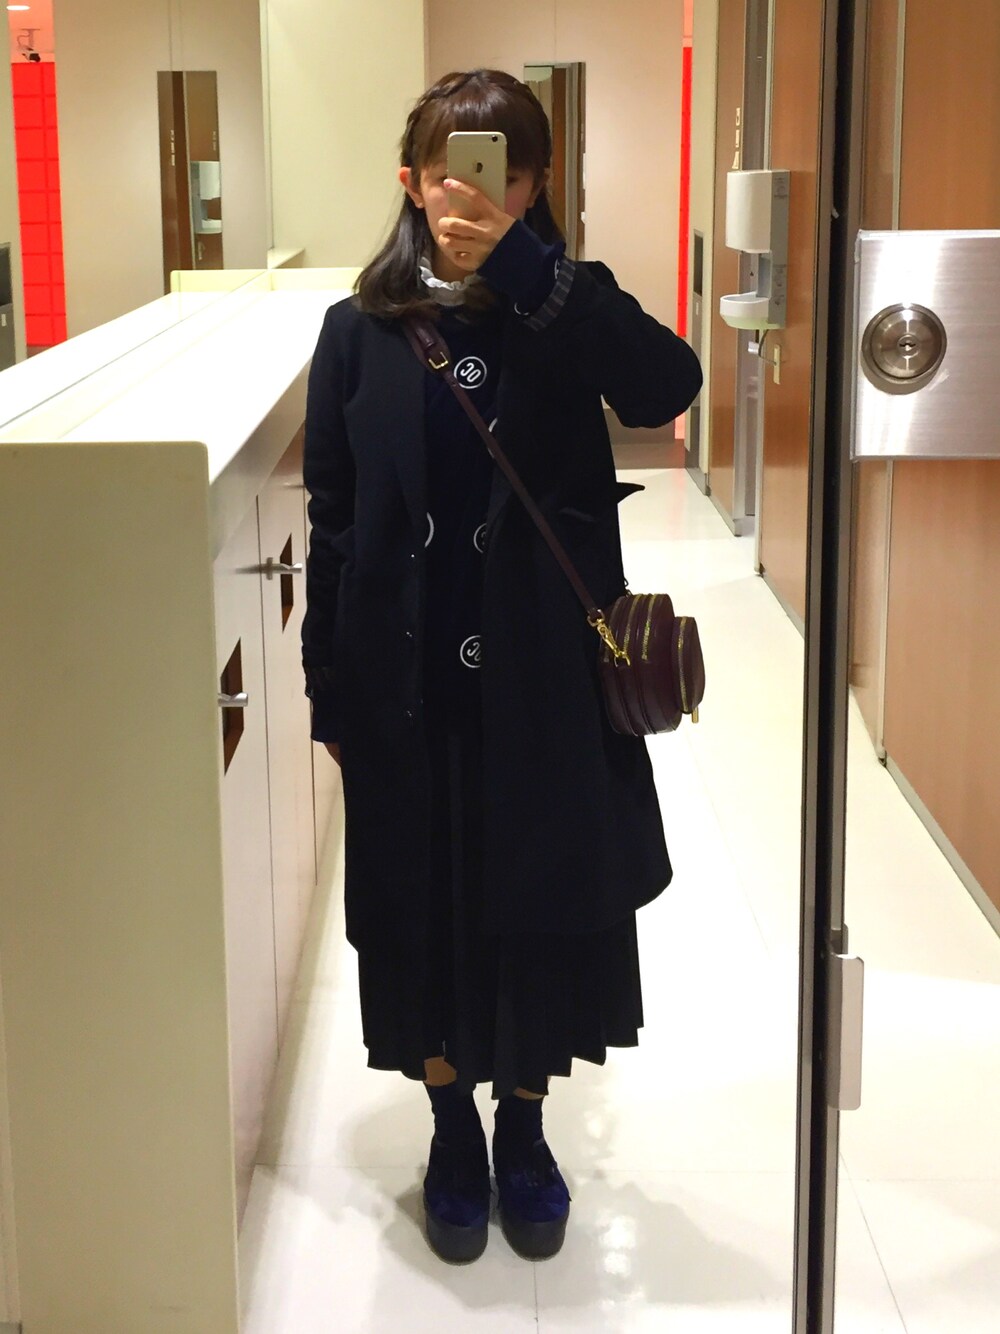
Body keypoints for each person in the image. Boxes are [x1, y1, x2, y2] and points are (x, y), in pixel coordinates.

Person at [301, 68, 702, 1265]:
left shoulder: (566, 309)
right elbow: (333, 518)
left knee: (540, 904)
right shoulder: (357, 330)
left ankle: (522, 1128)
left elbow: (667, 386)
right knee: (417, 910)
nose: (472, 194)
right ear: (410, 180)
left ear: (533, 185)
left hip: (545, 687)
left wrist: (531, 273)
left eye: (502, 173)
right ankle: (449, 1131)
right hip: (405, 687)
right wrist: (329, 687)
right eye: (449, 171)